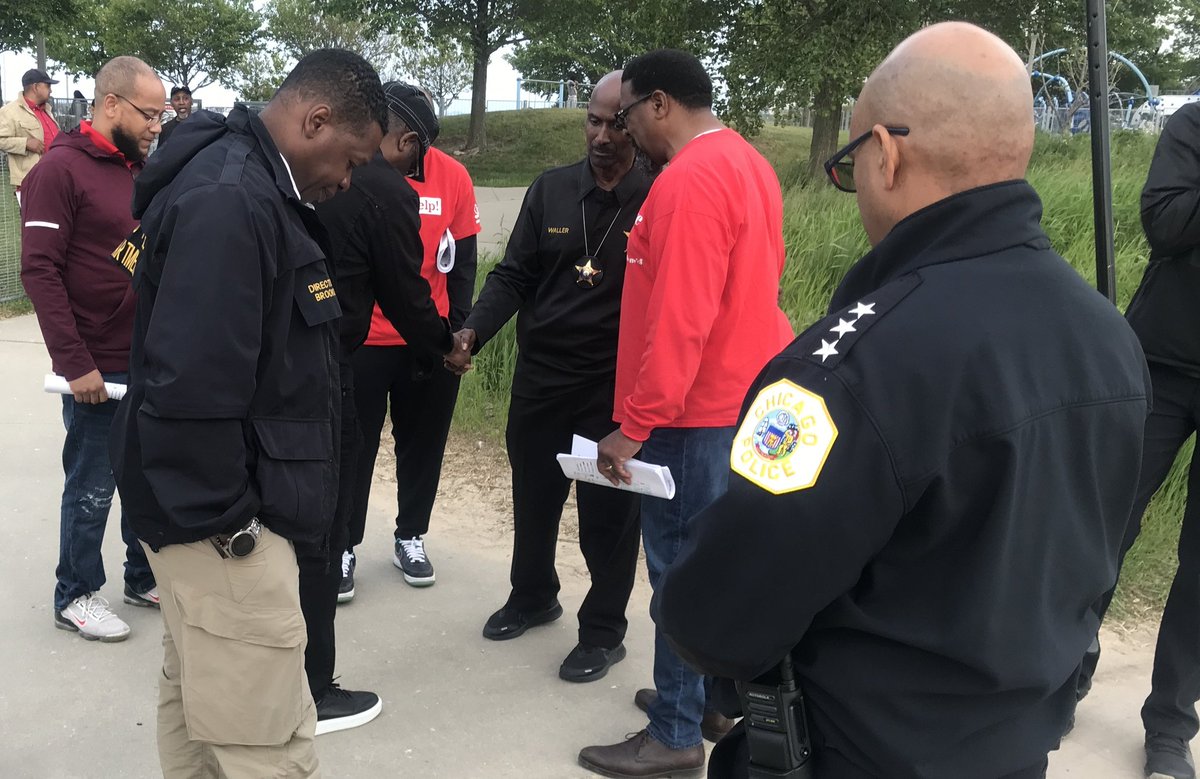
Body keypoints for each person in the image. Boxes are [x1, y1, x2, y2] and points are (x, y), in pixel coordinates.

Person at [648, 22, 1152, 779]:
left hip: (846, 753)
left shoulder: (850, 367)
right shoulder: (1108, 336)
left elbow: (716, 614)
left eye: (850, 165)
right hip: (1014, 750)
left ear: (885, 152)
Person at [109, 49, 385, 777]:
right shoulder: (234, 200)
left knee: (202, 710)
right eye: (351, 158)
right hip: (220, 532)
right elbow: (190, 388)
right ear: (315, 119)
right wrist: (237, 528)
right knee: (268, 743)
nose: (348, 180)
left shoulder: (245, 184)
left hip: (200, 523)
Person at [581, 50, 795, 777]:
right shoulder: (748, 164)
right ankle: (702, 696)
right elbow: (768, 281)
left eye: (627, 112)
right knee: (710, 564)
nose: (623, 127)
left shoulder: (688, 182)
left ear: (660, 104)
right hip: (738, 403)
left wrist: (636, 423)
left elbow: (681, 319)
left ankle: (674, 734)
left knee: (677, 574)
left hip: (689, 416)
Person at [445, 70, 650, 682]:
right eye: (593, 119)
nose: (603, 135)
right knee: (534, 496)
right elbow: (514, 275)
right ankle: (533, 595)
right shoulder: (552, 189)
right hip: (542, 379)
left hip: (611, 387)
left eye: (617, 123)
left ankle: (603, 631)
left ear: (638, 124)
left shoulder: (658, 196)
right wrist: (472, 329)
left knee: (607, 515)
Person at [304, 80, 458, 735]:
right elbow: (406, 290)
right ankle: (313, 687)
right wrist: (443, 348)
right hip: (332, 362)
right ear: (407, 140)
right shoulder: (387, 190)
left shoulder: (288, 172)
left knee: (300, 516)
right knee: (326, 513)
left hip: (284, 360)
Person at [1074, 100, 1200, 779]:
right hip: (1162, 360)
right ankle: (1065, 663)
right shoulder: (1193, 125)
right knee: (1105, 523)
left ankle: (1171, 724)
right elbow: (1166, 221)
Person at [20, 56, 163, 643]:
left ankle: (141, 573)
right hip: (93, 361)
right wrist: (75, 363)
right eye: (148, 113)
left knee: (144, 476)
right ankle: (75, 593)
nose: (158, 124)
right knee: (92, 481)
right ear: (111, 105)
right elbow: (39, 270)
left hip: (143, 354)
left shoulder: (136, 170)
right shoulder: (60, 172)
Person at [344, 86, 480, 591]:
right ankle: (343, 544)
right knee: (352, 447)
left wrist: (460, 331)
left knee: (423, 445)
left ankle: (410, 535)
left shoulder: (454, 177)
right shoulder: (353, 169)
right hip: (365, 339)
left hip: (430, 341)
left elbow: (462, 262)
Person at [0, 69, 61, 206]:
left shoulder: (47, 110)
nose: (51, 91)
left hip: (54, 178)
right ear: (35, 87)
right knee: (37, 225)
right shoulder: (10, 111)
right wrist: (25, 143)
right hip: (31, 181)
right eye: (48, 86)